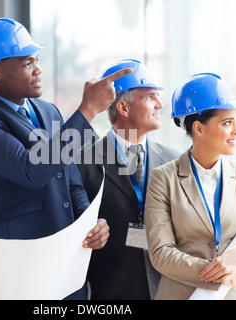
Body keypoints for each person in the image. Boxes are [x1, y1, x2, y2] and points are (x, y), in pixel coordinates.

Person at [0, 18, 130, 300]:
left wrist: (89, 222)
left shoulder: (49, 111)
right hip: (18, 262)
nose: (38, 70)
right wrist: (88, 109)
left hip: (66, 262)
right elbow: (30, 169)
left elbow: (72, 181)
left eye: (37, 60)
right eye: (26, 64)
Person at [144, 73, 236, 300]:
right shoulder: (163, 179)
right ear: (198, 128)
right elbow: (161, 253)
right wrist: (222, 272)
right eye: (227, 123)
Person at [77, 59, 179, 299]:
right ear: (123, 108)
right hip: (112, 294)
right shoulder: (83, 164)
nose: (160, 104)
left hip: (168, 290)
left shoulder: (175, 162)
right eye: (150, 97)